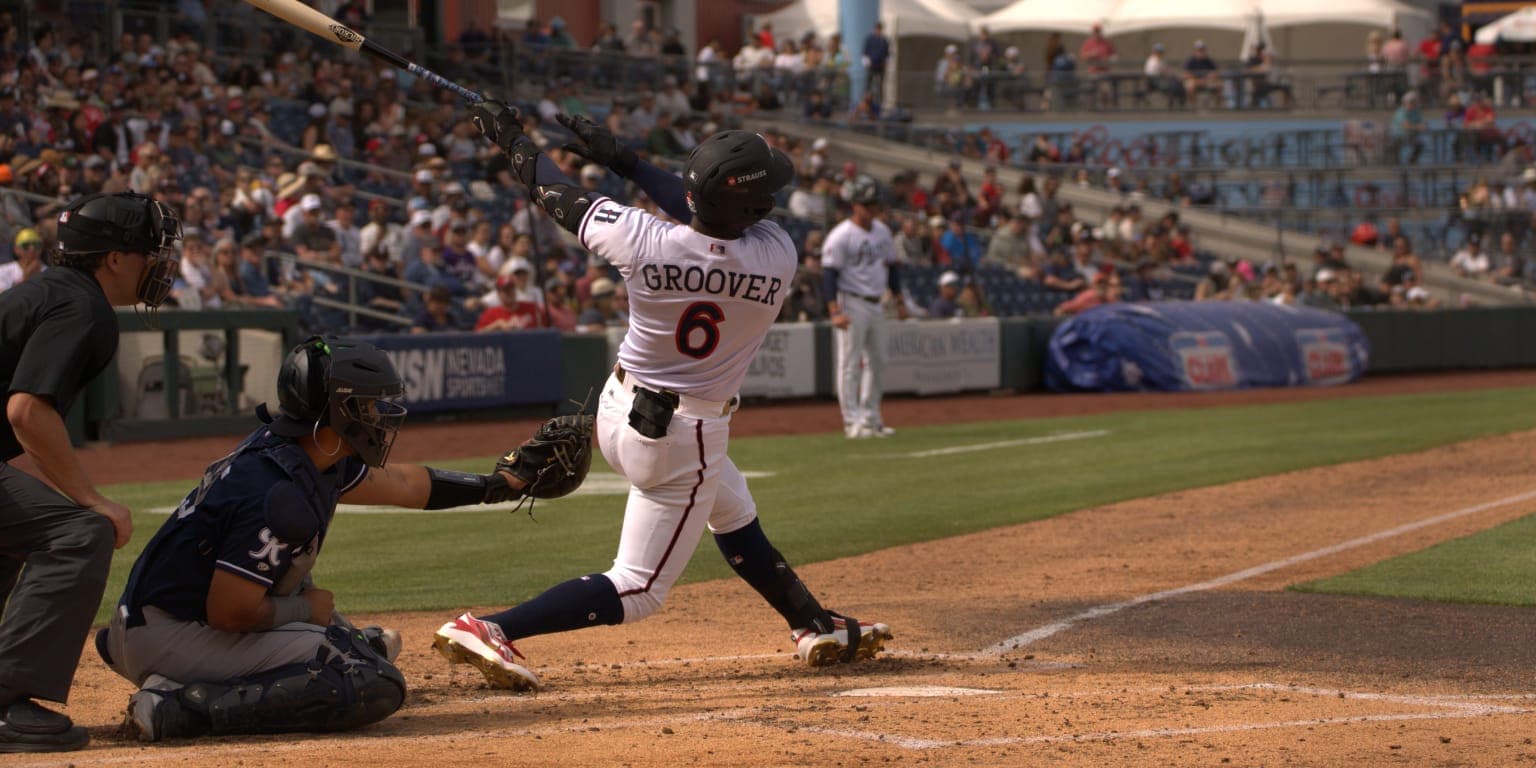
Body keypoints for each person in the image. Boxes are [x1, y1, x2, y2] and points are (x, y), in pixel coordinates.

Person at [431, 104, 892, 691]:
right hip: (684, 435)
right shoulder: (777, 254)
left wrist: (511, 139)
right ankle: (492, 626)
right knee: (639, 587)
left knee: (733, 508)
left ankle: (812, 623)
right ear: (753, 208)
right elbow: (707, 210)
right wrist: (629, 161)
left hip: (614, 409)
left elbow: (555, 193)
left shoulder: (640, 238)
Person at [101, 336, 578, 740]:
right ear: (337, 410)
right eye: (368, 406)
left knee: (357, 644)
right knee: (371, 682)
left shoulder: (302, 451)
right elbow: (229, 612)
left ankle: (200, 676)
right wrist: (303, 611)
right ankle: (176, 708)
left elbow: (403, 484)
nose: (380, 416)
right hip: (174, 633)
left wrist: (497, 486)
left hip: (156, 622)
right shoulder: (278, 493)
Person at [0, 192, 181, 753]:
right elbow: (27, 412)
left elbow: (24, 426)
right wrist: (92, 499)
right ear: (115, 259)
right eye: (150, 253)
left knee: (16, 531)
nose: (160, 264)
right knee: (79, 532)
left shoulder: (52, 292)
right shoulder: (83, 307)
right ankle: (6, 702)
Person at [823, 175, 908, 439]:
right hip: (851, 301)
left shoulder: (882, 231)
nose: (873, 209)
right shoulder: (841, 235)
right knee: (850, 363)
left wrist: (899, 300)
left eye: (875, 204)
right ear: (856, 205)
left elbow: (892, 266)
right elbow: (829, 274)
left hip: (877, 302)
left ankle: (871, 419)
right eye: (868, 204)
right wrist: (834, 311)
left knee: (879, 361)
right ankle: (852, 421)